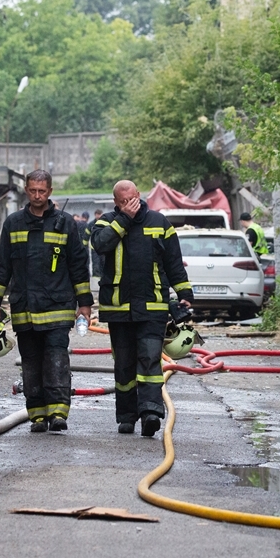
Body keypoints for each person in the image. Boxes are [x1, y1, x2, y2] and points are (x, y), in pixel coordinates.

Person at [0, 170, 92, 433]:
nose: (37, 195)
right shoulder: (13, 223)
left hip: (57, 307)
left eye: (42, 191)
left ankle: (58, 412)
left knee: (56, 358)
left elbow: (79, 266)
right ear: (25, 189)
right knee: (30, 361)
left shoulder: (65, 223)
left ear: (50, 191)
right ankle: (37, 414)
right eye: (32, 190)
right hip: (25, 309)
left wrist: (85, 304)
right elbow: (3, 267)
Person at [91, 180, 194, 437]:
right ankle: (126, 416)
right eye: (123, 202)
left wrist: (184, 293)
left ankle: (150, 413)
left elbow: (173, 262)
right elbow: (100, 245)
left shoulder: (160, 223)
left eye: (132, 198)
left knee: (150, 360)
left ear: (139, 195)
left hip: (153, 306)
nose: (129, 204)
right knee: (124, 365)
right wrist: (124, 219)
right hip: (118, 308)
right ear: (116, 203)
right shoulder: (106, 222)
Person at [90, 209, 104, 279]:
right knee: (96, 263)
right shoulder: (91, 224)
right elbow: (86, 235)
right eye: (97, 214)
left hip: (103, 247)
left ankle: (102, 275)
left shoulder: (105, 222)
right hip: (94, 248)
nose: (98, 216)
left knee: (103, 262)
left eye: (100, 214)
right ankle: (95, 277)